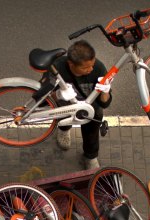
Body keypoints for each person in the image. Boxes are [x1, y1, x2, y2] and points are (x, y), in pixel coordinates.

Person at [47, 40, 112, 170]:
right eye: (85, 68)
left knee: (92, 130)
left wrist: (106, 91)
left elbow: (104, 103)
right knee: (63, 118)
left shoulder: (98, 68)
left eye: (92, 65)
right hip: (65, 105)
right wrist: (58, 95)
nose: (90, 70)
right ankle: (64, 130)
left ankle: (90, 156)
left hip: (90, 107)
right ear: (71, 64)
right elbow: (44, 97)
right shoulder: (57, 69)